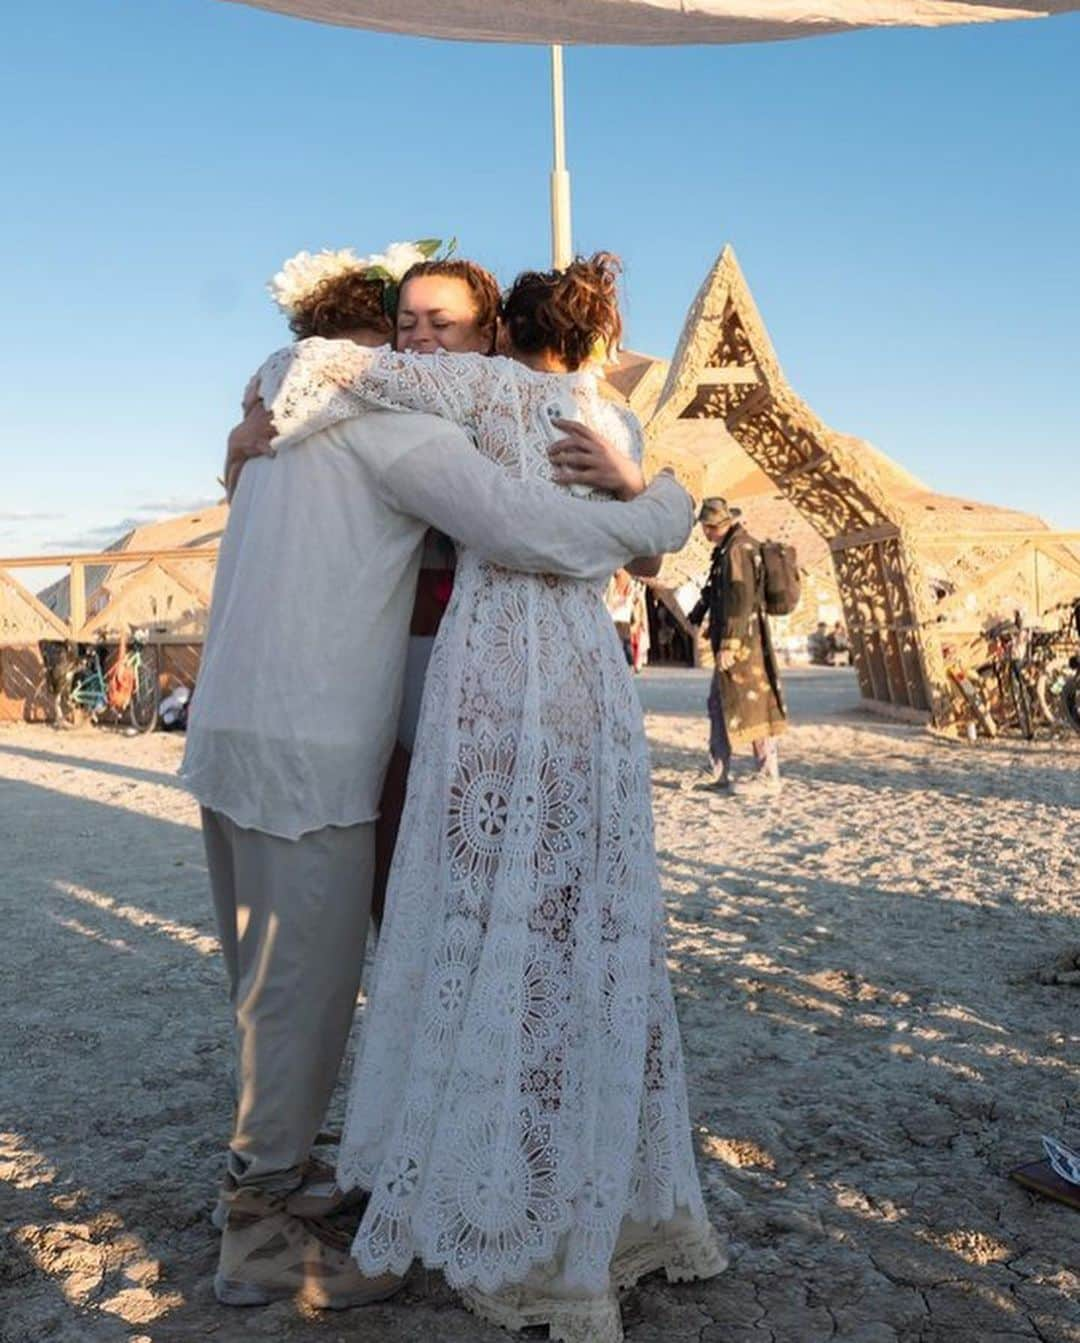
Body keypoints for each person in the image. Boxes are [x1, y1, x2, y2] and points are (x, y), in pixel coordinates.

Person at [181, 242, 693, 1312]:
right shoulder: (392, 426)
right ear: (374, 342)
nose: (420, 350)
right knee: (302, 997)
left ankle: (286, 1174)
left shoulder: (282, 408)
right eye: (406, 330)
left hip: (229, 730)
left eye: (439, 329)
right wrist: (666, 508)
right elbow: (533, 529)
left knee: (258, 980)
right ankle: (258, 1225)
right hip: (311, 746)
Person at [689, 497, 787, 794]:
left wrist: (730, 641)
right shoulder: (727, 550)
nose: (705, 534)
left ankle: (768, 773)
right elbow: (717, 592)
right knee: (720, 702)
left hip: (745, 642)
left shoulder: (738, 550)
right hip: (735, 638)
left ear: (721, 524)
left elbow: (741, 598)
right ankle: (718, 769)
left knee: (755, 701)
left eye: (708, 528)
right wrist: (700, 615)